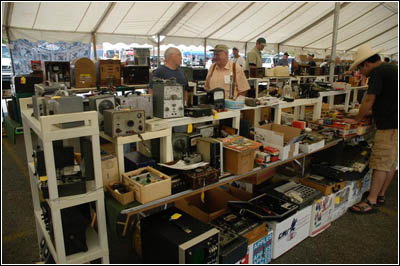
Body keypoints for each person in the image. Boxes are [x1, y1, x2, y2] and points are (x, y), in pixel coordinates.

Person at [348, 44, 398, 214]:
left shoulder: (377, 73)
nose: (360, 73)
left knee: (380, 163)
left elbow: (369, 99)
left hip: (389, 126)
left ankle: (371, 200)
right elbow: (386, 100)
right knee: (390, 162)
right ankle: (381, 194)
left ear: (366, 64)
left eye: (359, 69)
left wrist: (357, 118)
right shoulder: (391, 69)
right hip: (395, 123)